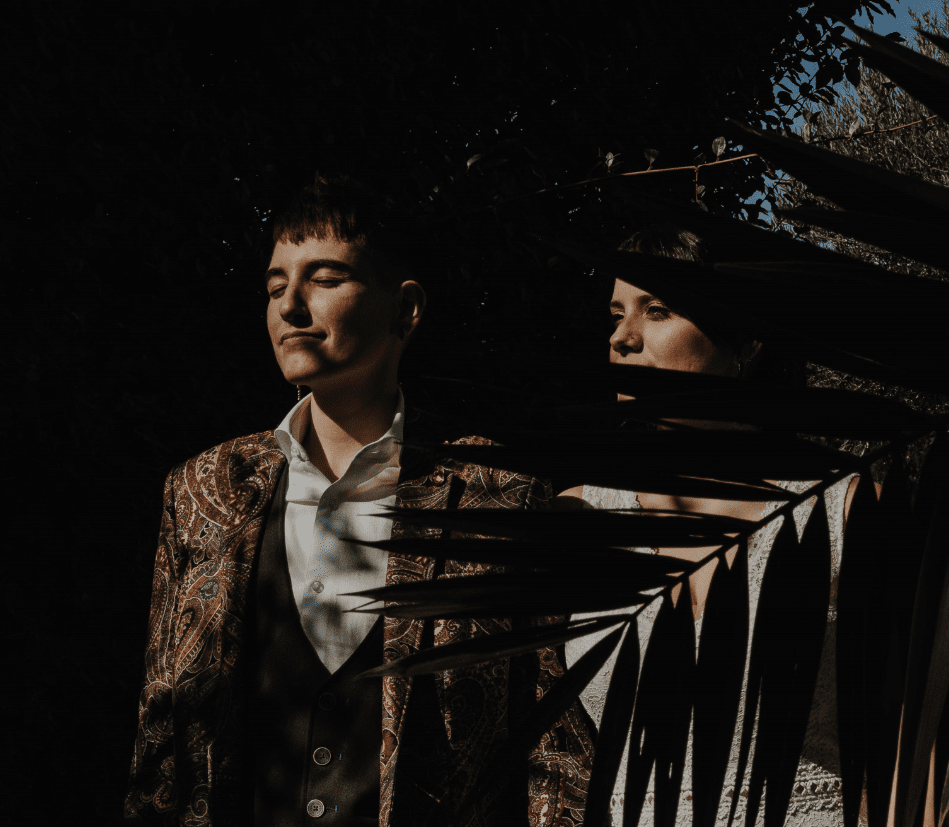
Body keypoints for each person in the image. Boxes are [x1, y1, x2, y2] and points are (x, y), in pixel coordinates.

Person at [124, 174, 594, 826]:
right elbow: (159, 738)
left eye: (323, 278)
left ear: (405, 308)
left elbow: (549, 743)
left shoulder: (495, 496)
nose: (289, 306)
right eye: (273, 285)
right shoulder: (206, 488)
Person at [554, 223, 879, 827]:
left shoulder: (843, 510)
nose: (622, 338)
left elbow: (921, 725)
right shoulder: (581, 517)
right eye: (616, 313)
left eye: (658, 310)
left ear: (746, 340)